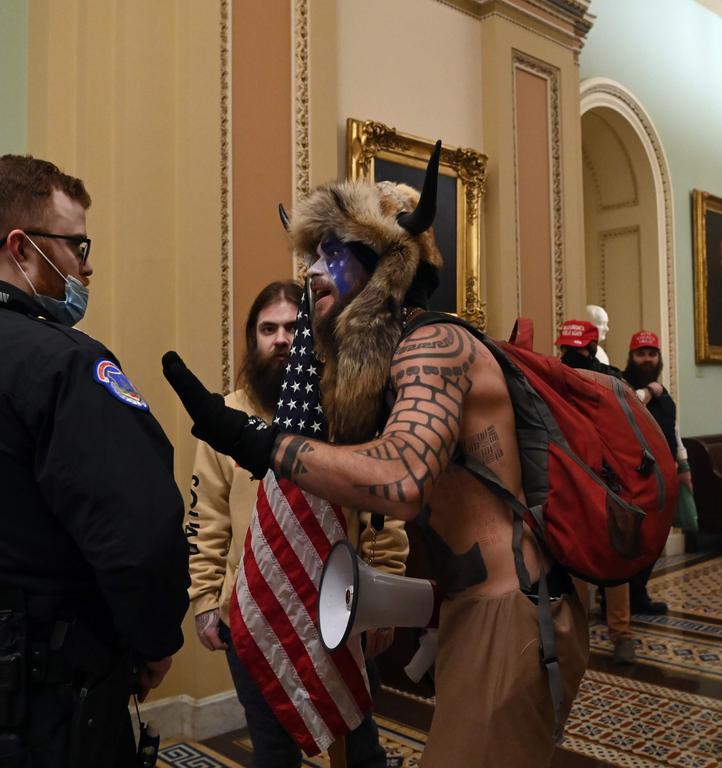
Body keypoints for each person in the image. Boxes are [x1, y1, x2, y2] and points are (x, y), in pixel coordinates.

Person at [164, 147, 588, 767]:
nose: (312, 274)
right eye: (312, 256)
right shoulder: (400, 359)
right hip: (478, 608)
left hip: (510, 611)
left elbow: (403, 479)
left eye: (333, 257)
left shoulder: (433, 345)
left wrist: (260, 441)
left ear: (388, 268)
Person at [0, 154, 189, 767]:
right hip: (44, 704)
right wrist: (156, 641)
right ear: (22, 250)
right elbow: (141, 535)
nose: (87, 264)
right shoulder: (65, 365)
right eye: (77, 245)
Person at [187, 281, 409, 768]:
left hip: (341, 618)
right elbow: (207, 523)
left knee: (361, 753)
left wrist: (384, 599)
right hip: (252, 620)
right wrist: (206, 601)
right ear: (253, 339)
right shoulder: (225, 417)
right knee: (273, 753)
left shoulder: (344, 414)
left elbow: (381, 511)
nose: (282, 339)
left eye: (293, 327)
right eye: (269, 329)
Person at [555, 320, 634, 664]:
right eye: (565, 351)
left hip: (609, 483)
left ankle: (622, 633)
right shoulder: (553, 380)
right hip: (571, 483)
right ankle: (578, 632)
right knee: (575, 561)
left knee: (615, 560)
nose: (569, 357)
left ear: (589, 349)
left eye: (575, 351)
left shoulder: (613, 381)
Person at [622, 330, 692, 615]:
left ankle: (638, 595)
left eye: (652, 354)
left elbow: (674, 434)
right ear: (631, 357)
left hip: (660, 482)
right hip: (628, 481)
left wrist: (684, 467)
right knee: (629, 542)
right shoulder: (621, 388)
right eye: (641, 354)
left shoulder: (666, 399)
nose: (647, 359)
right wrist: (649, 392)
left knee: (652, 540)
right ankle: (618, 600)